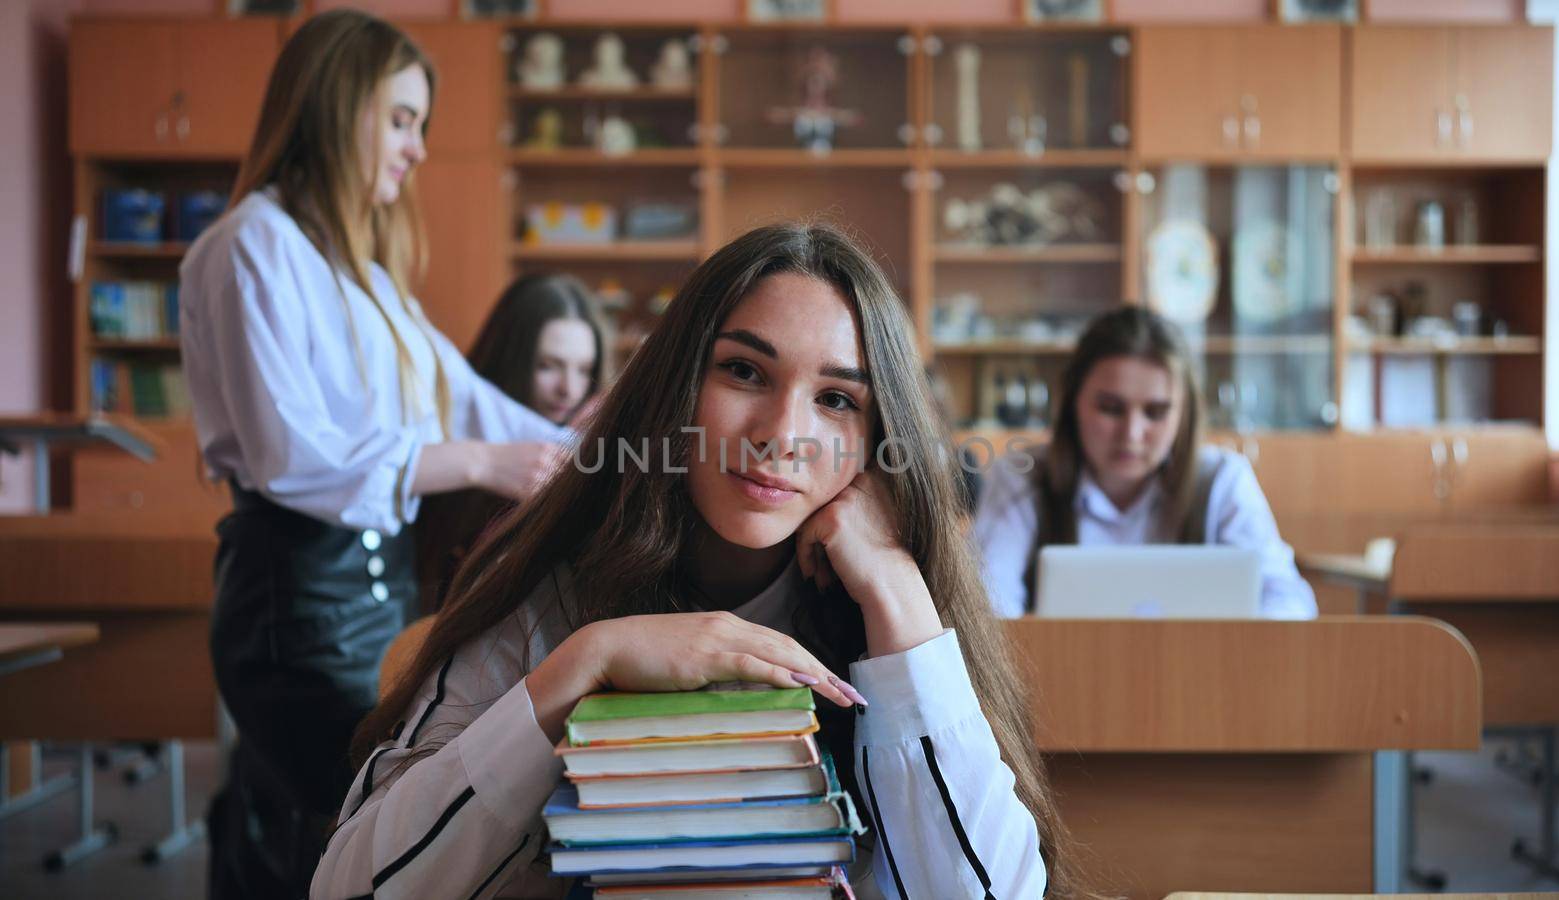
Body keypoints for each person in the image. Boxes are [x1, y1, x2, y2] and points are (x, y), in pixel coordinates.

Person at [311, 224, 1080, 899]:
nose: (781, 433)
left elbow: (993, 894)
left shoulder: (891, 602)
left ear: (878, 440)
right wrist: (585, 664)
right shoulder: (548, 588)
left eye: (837, 400)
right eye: (745, 371)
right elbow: (351, 887)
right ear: (677, 384)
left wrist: (893, 585)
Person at [178, 10, 570, 898]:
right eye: (400, 119)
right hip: (297, 603)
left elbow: (477, 404)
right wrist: (476, 463)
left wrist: (615, 440)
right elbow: (292, 458)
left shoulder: (369, 279)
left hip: (376, 591)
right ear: (333, 106)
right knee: (372, 822)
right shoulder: (249, 247)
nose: (418, 147)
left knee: (379, 817)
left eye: (421, 125)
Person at [972, 306, 1317, 620]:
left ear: (1185, 415)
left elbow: (1289, 601)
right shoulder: (1022, 476)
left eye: (1156, 412)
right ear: (1072, 402)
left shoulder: (1223, 479)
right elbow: (985, 605)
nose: (1132, 434)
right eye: (1110, 408)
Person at [416, 274, 608, 611]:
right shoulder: (445, 445)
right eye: (548, 366)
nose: (569, 389)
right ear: (511, 360)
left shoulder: (601, 454)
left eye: (584, 370)